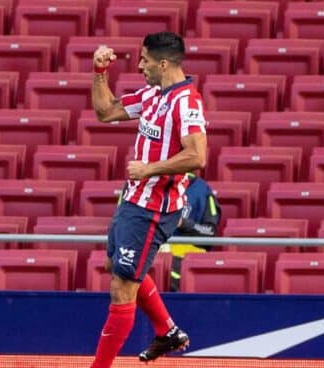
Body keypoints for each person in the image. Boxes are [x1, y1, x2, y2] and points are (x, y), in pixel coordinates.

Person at [90, 31, 208, 367]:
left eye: (145, 60)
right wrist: (99, 73)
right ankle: (167, 330)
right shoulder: (153, 95)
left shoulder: (187, 101)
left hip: (154, 208)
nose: (140, 65)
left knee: (122, 287)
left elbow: (197, 155)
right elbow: (106, 112)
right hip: (132, 201)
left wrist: (149, 169)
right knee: (116, 266)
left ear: (164, 62)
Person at [168, 172, 221, 291]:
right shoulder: (149, 185)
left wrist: (183, 223)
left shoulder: (202, 190)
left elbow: (210, 232)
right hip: (153, 256)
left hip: (185, 260)